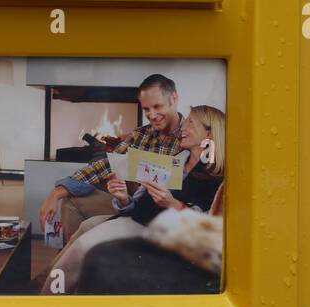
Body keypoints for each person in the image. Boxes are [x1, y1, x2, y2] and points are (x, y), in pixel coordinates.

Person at [42, 105, 225, 293]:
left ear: (209, 134)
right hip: (136, 220)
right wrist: (123, 198)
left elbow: (207, 225)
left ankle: (52, 299)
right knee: (81, 246)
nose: (183, 128)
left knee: (83, 247)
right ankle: (49, 298)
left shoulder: (215, 178)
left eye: (191, 123)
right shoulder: (174, 161)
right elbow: (136, 204)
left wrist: (173, 204)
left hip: (161, 235)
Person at [38, 73, 185, 246]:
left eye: (157, 106)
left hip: (164, 218)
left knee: (88, 225)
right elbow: (104, 166)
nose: (152, 115)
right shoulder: (140, 135)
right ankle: (70, 265)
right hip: (130, 206)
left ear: (174, 98)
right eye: (146, 109)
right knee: (70, 202)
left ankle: (65, 266)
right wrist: (56, 193)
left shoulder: (190, 135)